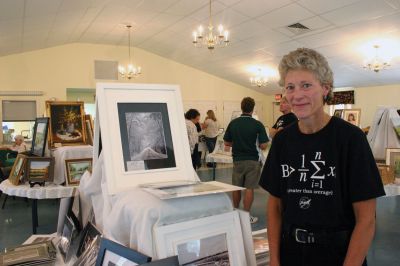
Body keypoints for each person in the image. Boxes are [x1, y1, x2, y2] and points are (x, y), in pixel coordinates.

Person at [259, 48, 385, 266]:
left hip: (338, 254)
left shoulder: (351, 139)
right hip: (291, 252)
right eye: (290, 87)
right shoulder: (282, 141)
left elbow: (366, 220)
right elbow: (274, 206)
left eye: (306, 85)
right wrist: (274, 260)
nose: (297, 95)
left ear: (326, 88)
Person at [224, 97, 269, 223]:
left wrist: (238, 143)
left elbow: (227, 142)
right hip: (252, 160)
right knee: (249, 188)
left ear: (241, 107)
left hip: (237, 160)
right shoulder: (257, 124)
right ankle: (246, 216)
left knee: (237, 187)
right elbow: (264, 145)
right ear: (253, 108)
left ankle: (235, 213)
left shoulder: (233, 123)